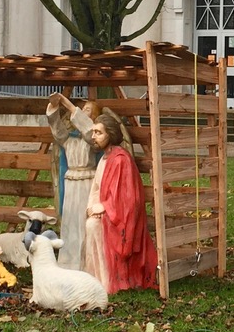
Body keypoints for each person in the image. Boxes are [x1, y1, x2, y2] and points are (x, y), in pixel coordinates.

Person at [82, 108, 159, 292]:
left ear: (111, 134)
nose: (94, 136)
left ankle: (108, 280)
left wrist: (103, 207)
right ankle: (97, 278)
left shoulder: (120, 160)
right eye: (94, 132)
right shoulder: (104, 158)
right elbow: (97, 188)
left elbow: (127, 198)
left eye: (99, 133)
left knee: (93, 226)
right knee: (90, 225)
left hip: (119, 219)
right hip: (105, 213)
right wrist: (92, 206)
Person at [45, 93, 100, 270]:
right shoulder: (69, 140)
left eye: (88, 110)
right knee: (70, 222)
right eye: (82, 109)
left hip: (87, 183)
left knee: (84, 221)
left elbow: (89, 130)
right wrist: (54, 107)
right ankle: (68, 262)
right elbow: (57, 130)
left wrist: (68, 105)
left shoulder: (93, 139)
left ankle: (86, 262)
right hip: (71, 183)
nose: (83, 112)